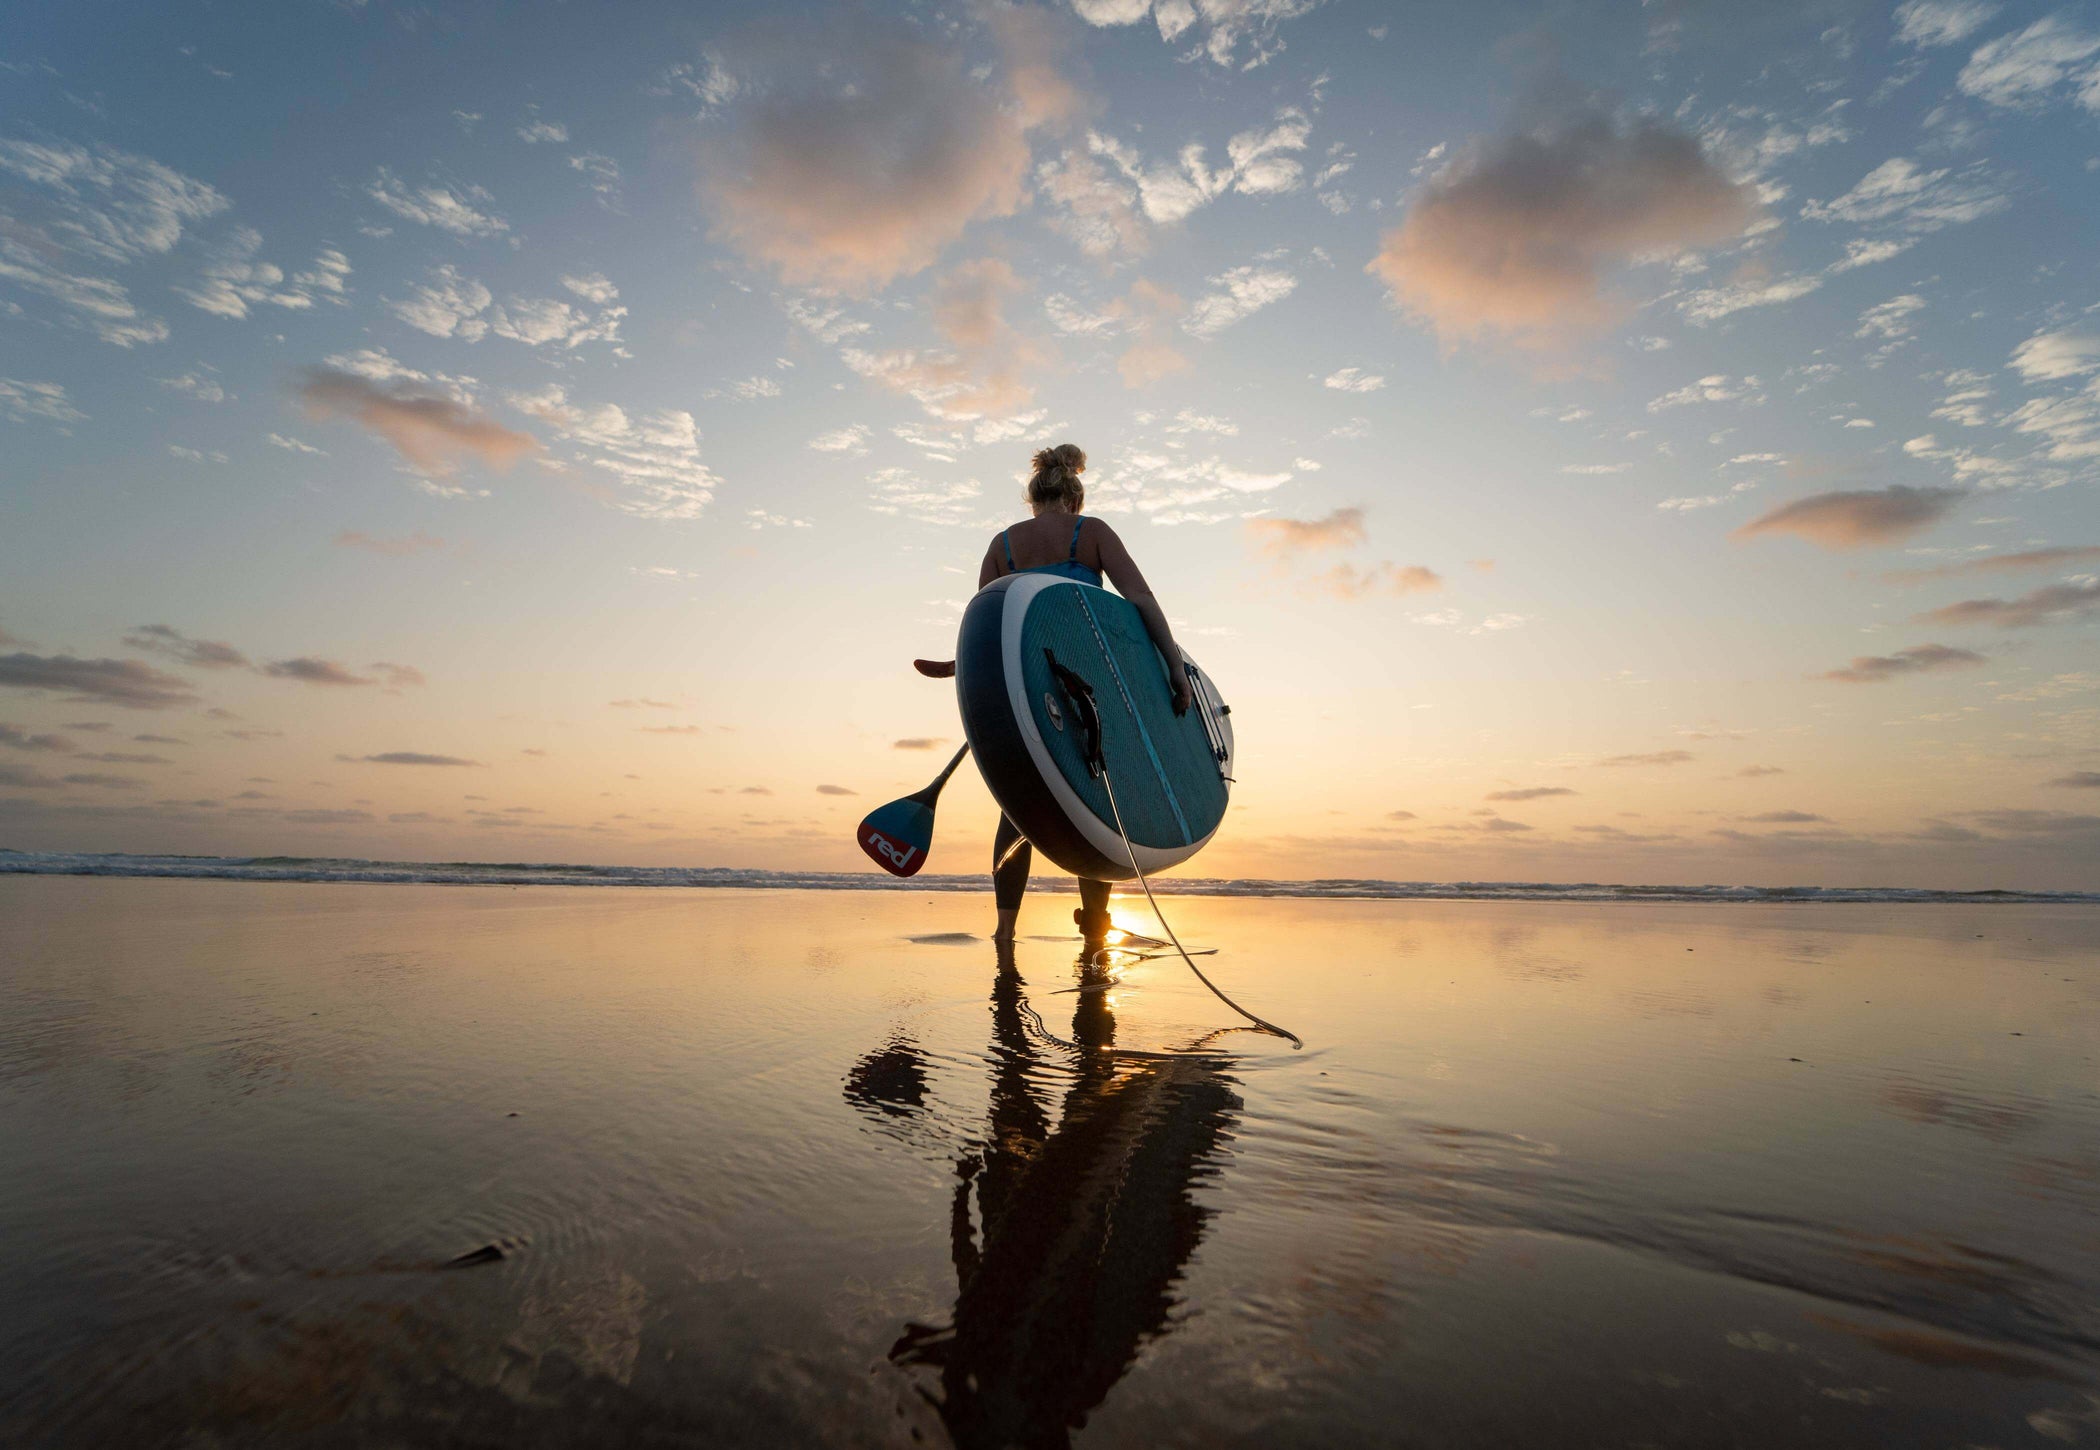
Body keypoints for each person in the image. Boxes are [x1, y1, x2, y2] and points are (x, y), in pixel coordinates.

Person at [967, 443, 1191, 947]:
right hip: (1086, 684)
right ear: (1075, 497)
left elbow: (980, 629)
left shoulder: (1001, 546)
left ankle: (1005, 930)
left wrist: (959, 674)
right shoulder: (1090, 533)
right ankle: (1095, 927)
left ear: (1034, 498)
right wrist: (1174, 669)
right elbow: (1140, 599)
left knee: (1017, 805)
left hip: (1025, 691)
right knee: (1094, 796)